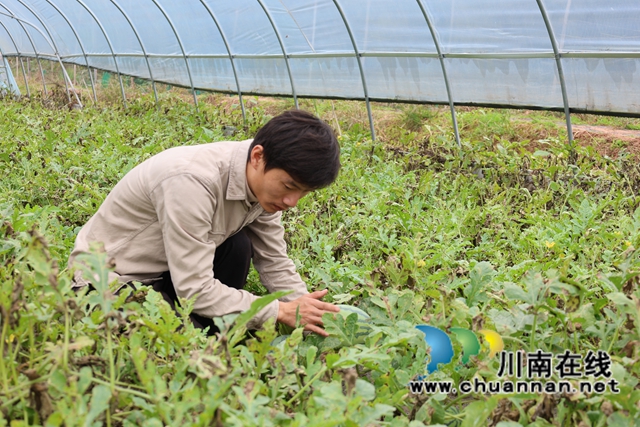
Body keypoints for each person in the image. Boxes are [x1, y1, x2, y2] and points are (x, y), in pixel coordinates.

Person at [69, 110, 341, 336]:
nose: (292, 201)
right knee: (196, 350)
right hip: (111, 280)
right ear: (258, 157)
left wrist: (307, 310)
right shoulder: (191, 180)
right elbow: (194, 288)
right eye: (289, 186)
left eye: (303, 193)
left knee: (238, 246)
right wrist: (278, 311)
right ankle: (204, 326)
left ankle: (207, 321)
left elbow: (274, 260)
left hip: (168, 273)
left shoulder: (267, 189)